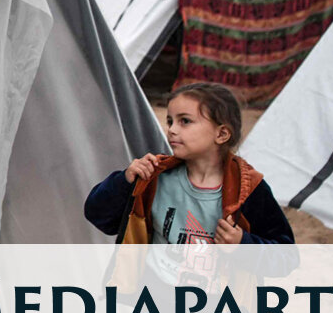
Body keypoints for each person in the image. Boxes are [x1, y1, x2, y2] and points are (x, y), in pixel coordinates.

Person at [84, 82, 293, 246]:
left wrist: (242, 244)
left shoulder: (248, 189)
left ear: (221, 134)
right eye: (170, 121)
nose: (172, 130)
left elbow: (285, 255)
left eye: (185, 121)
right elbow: (99, 217)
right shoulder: (154, 177)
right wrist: (124, 181)